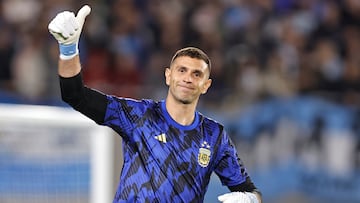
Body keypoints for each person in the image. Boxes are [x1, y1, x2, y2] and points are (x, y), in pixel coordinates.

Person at [48, 5, 262, 203]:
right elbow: (74, 95)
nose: (188, 78)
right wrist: (68, 50)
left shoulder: (214, 136)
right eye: (182, 70)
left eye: (196, 74)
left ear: (206, 85)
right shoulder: (139, 115)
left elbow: (250, 190)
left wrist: (249, 199)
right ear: (168, 76)